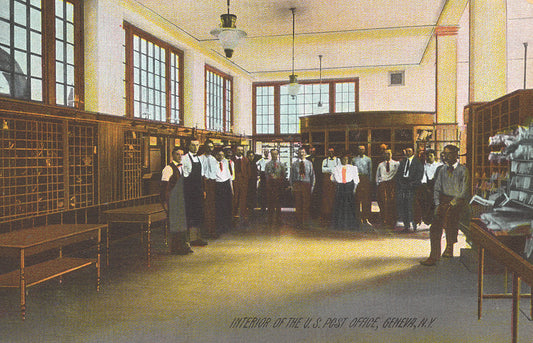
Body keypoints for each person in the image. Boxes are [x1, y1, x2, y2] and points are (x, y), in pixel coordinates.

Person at [420, 145, 470, 266]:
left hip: (457, 202)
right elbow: (437, 188)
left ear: (455, 155)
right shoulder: (442, 170)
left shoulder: (463, 170)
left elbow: (464, 191)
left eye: (448, 153)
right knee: (435, 226)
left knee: (451, 222)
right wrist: (437, 204)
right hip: (443, 201)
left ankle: (449, 247)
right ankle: (434, 255)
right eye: (444, 153)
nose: (445, 156)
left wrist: (453, 203)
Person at [160, 147, 192, 255]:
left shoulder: (184, 168)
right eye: (178, 154)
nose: (180, 157)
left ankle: (185, 245)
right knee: (175, 225)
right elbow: (164, 187)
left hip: (183, 199)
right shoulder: (168, 168)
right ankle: (176, 248)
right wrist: (165, 202)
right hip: (173, 200)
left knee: (184, 223)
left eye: (182, 155)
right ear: (173, 155)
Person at [182, 139, 207, 246]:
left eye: (197, 145)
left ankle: (197, 238)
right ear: (188, 146)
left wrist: (203, 190)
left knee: (198, 214)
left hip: (198, 190)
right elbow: (185, 176)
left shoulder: (200, 159)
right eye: (193, 145)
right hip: (188, 191)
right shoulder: (184, 158)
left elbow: (201, 176)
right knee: (189, 215)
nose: (195, 147)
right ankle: (188, 240)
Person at [395, 147, 424, 232]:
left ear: (413, 152)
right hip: (403, 186)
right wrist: (401, 183)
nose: (408, 153)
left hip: (412, 187)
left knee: (412, 206)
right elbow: (399, 174)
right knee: (404, 206)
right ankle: (406, 225)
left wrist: (412, 184)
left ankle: (414, 224)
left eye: (410, 151)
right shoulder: (403, 162)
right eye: (406, 151)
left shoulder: (417, 163)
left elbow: (419, 176)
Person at [330, 153, 359, 230]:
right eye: (343, 159)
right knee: (339, 205)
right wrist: (338, 182)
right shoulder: (336, 168)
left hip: (349, 188)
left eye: (346, 159)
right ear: (340, 160)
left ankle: (350, 224)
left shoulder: (353, 168)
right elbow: (332, 178)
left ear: (348, 160)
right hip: (340, 187)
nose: (345, 160)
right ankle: (339, 225)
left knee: (349, 206)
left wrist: (354, 189)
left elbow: (356, 179)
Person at [290, 147, 315, 229]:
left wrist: (312, 186)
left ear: (305, 153)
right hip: (297, 184)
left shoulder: (309, 163)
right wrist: (292, 186)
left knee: (306, 203)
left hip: (306, 184)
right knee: (298, 203)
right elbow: (291, 176)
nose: (301, 154)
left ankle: (305, 222)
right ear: (298, 153)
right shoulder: (294, 164)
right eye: (300, 152)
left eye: (303, 152)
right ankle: (298, 222)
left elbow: (312, 176)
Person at [375, 149, 400, 229]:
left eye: (389, 153)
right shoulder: (381, 164)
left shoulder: (396, 164)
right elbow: (377, 175)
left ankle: (392, 221)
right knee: (383, 202)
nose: (387, 155)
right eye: (385, 154)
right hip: (383, 184)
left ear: (391, 154)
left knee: (392, 202)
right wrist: (378, 184)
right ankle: (384, 220)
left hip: (392, 184)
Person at [200, 140, 219, 239]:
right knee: (205, 209)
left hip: (212, 184)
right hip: (204, 184)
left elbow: (215, 173)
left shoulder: (213, 159)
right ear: (204, 147)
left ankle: (212, 230)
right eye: (208, 147)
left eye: (211, 147)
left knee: (212, 209)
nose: (210, 149)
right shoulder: (200, 158)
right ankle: (205, 231)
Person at [419, 149, 442, 225]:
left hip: (437, 187)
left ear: (434, 156)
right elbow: (423, 178)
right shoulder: (424, 167)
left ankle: (436, 220)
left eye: (431, 155)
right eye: (427, 156)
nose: (429, 157)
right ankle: (428, 220)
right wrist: (426, 187)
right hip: (427, 187)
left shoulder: (439, 165)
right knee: (427, 203)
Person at [264, 149, 287, 226]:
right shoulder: (268, 165)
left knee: (278, 204)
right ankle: (270, 220)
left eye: (276, 154)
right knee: (270, 204)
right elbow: (266, 175)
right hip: (270, 187)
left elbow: (284, 175)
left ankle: (279, 220)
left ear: (278, 155)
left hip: (278, 187)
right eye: (273, 154)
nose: (274, 155)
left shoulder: (281, 164)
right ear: (271, 154)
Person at [214, 149, 234, 235]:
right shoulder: (213, 163)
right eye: (219, 155)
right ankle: (219, 226)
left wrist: (231, 189)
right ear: (216, 155)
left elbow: (229, 177)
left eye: (222, 155)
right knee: (219, 207)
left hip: (226, 185)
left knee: (227, 206)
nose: (221, 157)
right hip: (218, 185)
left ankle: (226, 225)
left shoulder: (225, 163)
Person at [352, 145, 372, 225]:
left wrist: (369, 181)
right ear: (358, 150)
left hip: (365, 178)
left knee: (366, 199)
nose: (361, 151)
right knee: (357, 199)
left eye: (363, 149)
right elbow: (352, 170)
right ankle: (357, 218)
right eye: (360, 149)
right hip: (357, 178)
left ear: (365, 150)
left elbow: (370, 170)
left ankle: (365, 218)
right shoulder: (354, 159)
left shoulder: (368, 159)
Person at [232, 145, 251, 226]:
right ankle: (234, 216)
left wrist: (246, 180)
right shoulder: (232, 160)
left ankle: (243, 217)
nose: (240, 151)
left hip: (243, 182)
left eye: (241, 150)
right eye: (238, 150)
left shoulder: (246, 160)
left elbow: (249, 172)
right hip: (235, 181)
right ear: (235, 151)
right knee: (235, 199)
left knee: (243, 200)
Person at [321, 148, 341, 222]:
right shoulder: (325, 160)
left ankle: (335, 216)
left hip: (335, 181)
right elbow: (323, 170)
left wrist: (328, 169)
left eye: (332, 151)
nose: (331, 153)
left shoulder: (337, 160)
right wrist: (332, 169)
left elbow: (339, 169)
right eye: (329, 152)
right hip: (327, 182)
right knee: (327, 199)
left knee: (335, 198)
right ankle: (327, 216)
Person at [307, 147, 323, 219]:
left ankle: (317, 214)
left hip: (318, 182)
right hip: (308, 181)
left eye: (313, 151)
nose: (312, 153)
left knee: (317, 198)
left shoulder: (319, 160)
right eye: (311, 151)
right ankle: (309, 214)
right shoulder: (306, 160)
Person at [256, 149, 270, 214]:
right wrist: (258, 172)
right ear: (263, 153)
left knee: (269, 192)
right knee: (263, 192)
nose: (266, 153)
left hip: (269, 176)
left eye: (267, 152)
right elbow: (256, 165)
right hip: (263, 176)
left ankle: (269, 207)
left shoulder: (270, 160)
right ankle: (263, 207)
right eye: (265, 152)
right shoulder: (261, 160)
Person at [247, 150, 259, 217]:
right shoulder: (246, 163)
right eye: (250, 156)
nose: (251, 157)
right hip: (248, 182)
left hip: (253, 183)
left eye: (252, 156)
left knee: (253, 195)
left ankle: (252, 209)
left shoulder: (254, 164)